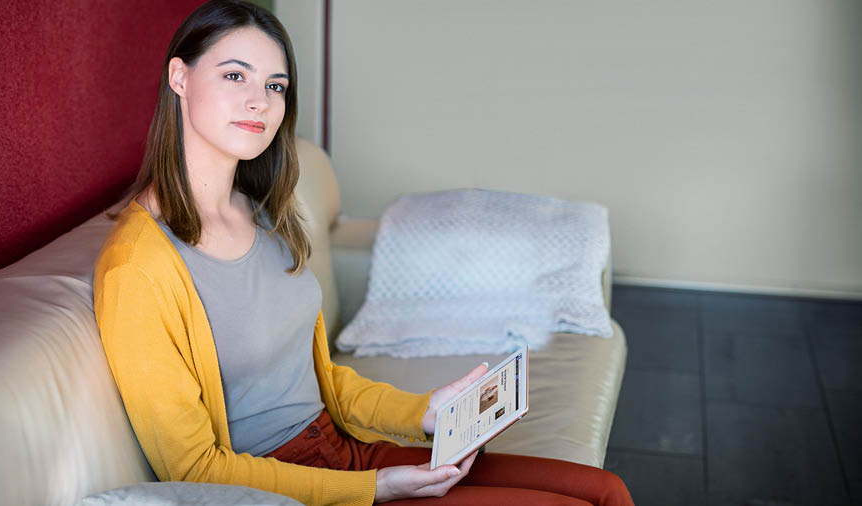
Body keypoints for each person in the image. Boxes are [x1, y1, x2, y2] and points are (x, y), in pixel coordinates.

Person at [93, 1, 634, 504]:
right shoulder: (137, 267)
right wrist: (378, 486)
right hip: (285, 489)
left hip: (346, 451)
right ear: (179, 77)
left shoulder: (259, 210)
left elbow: (318, 378)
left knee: (603, 490)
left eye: (275, 85)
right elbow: (195, 470)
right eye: (235, 75)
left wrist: (427, 411)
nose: (260, 100)